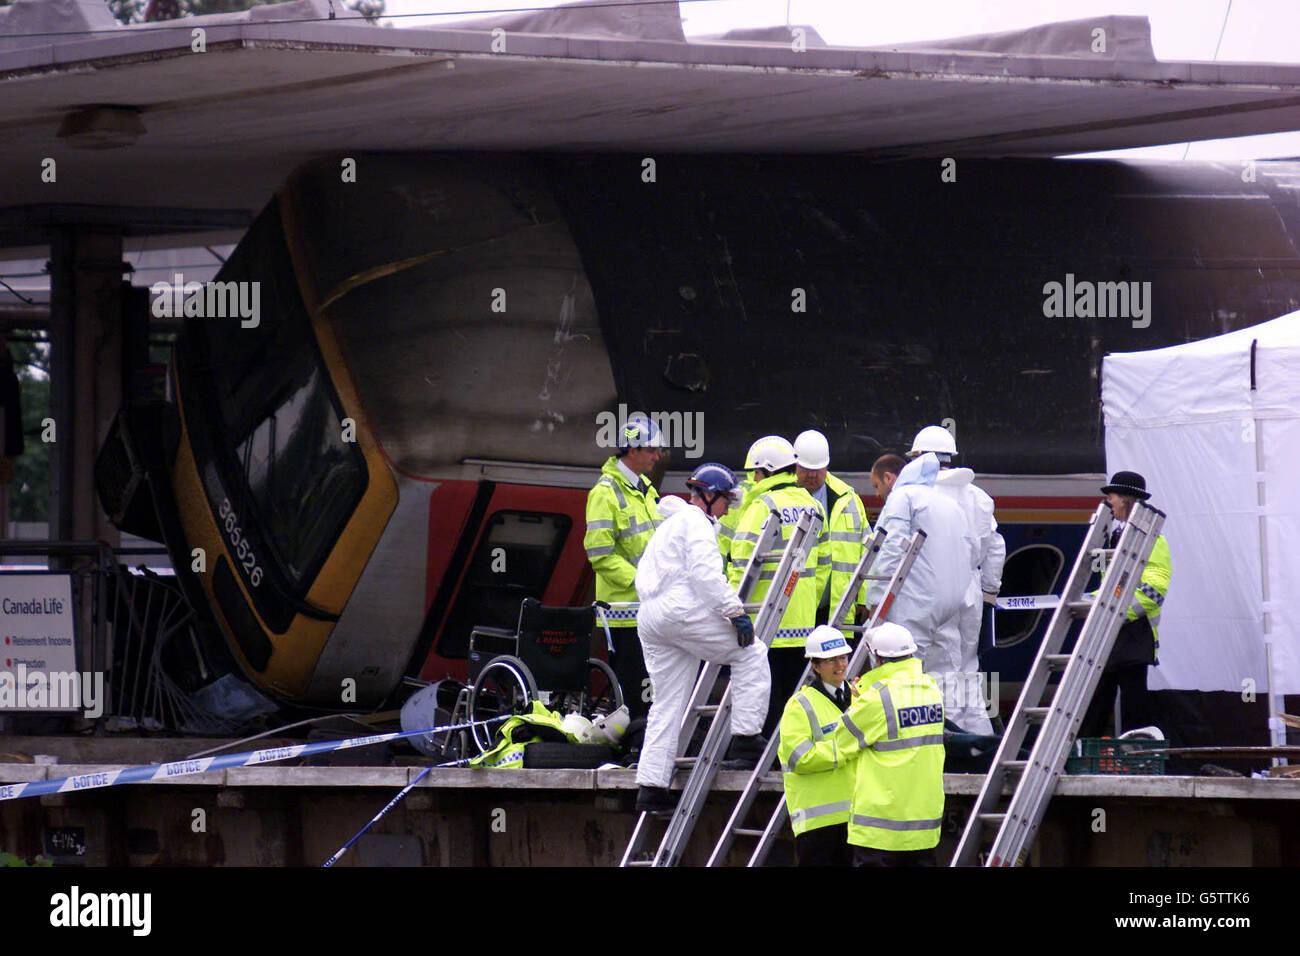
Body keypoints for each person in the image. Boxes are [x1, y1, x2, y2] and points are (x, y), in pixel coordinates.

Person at [632, 462, 767, 813]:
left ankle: (650, 786)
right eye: (724, 500)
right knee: (751, 653)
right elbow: (705, 576)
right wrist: (735, 612)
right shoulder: (696, 523)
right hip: (680, 610)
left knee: (667, 701)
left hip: (650, 616)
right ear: (707, 496)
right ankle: (746, 738)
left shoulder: (671, 525)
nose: (726, 508)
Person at [803, 622, 946, 867]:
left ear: (876, 659)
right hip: (924, 826)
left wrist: (860, 694)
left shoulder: (876, 698)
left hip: (880, 830)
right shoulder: (931, 690)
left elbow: (842, 740)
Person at [726, 435, 830, 737]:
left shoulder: (761, 505)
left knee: (760, 699)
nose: (752, 478)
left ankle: (757, 756)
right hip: (801, 625)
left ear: (767, 471)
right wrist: (805, 605)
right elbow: (823, 569)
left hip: (763, 624)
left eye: (755, 472)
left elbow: (741, 566)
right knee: (792, 700)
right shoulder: (813, 507)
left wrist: (730, 609)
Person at [908, 425, 1005, 734]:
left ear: (921, 457)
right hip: (972, 590)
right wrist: (989, 593)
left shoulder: (919, 496)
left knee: (938, 670)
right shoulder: (979, 497)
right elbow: (995, 547)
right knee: (968, 670)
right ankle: (981, 741)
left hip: (933, 588)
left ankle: (950, 746)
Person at [859, 453, 971, 716]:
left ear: (889, 478)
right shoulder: (946, 503)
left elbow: (889, 549)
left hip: (914, 602)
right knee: (941, 679)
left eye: (876, 486)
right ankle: (949, 740)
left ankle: (900, 733)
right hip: (949, 603)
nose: (877, 495)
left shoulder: (902, 498)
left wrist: (875, 599)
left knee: (898, 674)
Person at [584, 413, 666, 720]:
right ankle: (633, 749)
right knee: (634, 689)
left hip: (647, 606)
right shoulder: (605, 493)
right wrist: (643, 581)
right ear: (632, 450)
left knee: (650, 687)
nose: (657, 456)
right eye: (652, 450)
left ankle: (643, 746)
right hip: (623, 612)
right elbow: (600, 554)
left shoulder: (644, 487)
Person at [1080, 471, 1172, 737]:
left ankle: (1137, 762)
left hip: (1133, 635)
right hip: (1112, 632)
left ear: (1127, 500)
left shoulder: (1152, 540)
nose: (1108, 501)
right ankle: (1086, 756)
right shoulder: (1115, 537)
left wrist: (1114, 613)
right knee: (1096, 703)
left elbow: (1153, 591)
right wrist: (1093, 602)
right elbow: (1113, 586)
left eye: (1112, 496)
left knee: (1134, 708)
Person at [777, 625, 857, 867]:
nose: (840, 665)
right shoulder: (800, 705)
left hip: (860, 818)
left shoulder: (861, 698)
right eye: (830, 660)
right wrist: (845, 749)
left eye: (842, 657)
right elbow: (798, 758)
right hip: (818, 825)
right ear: (815, 665)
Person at [794, 430, 867, 628]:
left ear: (827, 465)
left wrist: (863, 599)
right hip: (794, 607)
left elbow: (867, 551)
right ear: (795, 465)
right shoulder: (781, 497)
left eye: (818, 469)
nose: (812, 475)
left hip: (836, 606)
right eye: (806, 468)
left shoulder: (848, 499)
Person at [716, 438, 763, 563]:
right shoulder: (739, 496)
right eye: (755, 472)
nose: (755, 477)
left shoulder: (740, 494)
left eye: (757, 472)